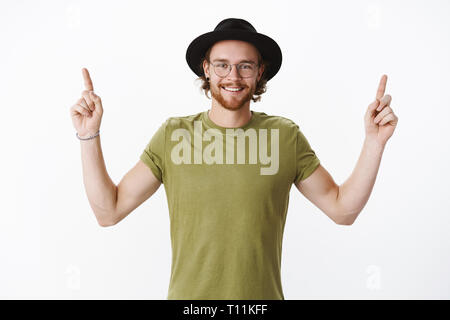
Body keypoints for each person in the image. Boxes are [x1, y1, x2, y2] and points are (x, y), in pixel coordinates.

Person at [70, 18, 399, 300]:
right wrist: (88, 136)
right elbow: (108, 212)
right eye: (222, 65)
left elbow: (342, 210)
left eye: (245, 65)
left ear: (260, 72)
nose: (233, 76)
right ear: (207, 69)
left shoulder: (284, 136)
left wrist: (374, 143)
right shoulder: (174, 135)